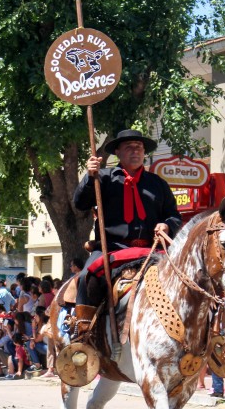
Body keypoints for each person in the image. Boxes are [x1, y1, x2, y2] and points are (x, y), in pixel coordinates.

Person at [72, 129, 181, 309]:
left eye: (139, 147)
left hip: (151, 249)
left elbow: (173, 215)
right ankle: (83, 330)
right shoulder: (103, 178)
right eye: (129, 147)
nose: (135, 151)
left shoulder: (158, 183)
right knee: (86, 278)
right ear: (118, 152)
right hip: (112, 248)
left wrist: (167, 225)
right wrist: (90, 178)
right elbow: (80, 203)